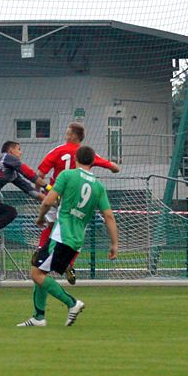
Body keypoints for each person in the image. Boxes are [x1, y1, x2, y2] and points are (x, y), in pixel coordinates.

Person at [17, 146, 119, 327]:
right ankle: (38, 317)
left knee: (36, 274)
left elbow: (48, 200)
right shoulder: (99, 186)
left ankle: (72, 303)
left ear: (76, 159)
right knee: (41, 270)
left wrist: (40, 218)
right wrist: (114, 244)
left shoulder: (67, 176)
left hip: (61, 235)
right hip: (77, 240)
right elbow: (109, 216)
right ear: (93, 161)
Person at [36, 122, 120, 284]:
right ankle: (69, 264)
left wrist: (39, 191)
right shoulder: (90, 161)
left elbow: (40, 174)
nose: (66, 135)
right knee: (76, 230)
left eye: (68, 132)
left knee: (38, 272)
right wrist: (112, 166)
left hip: (58, 194)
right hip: (80, 202)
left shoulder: (60, 153)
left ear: (73, 135)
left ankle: (41, 251)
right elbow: (115, 168)